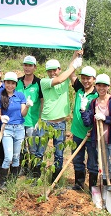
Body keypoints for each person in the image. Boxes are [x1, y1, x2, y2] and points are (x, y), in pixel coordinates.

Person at [34, 51, 83, 181]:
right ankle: (35, 177)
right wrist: (74, 66)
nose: (52, 73)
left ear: (59, 69)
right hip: (46, 122)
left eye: (54, 70)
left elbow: (68, 71)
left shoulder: (65, 78)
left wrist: (76, 55)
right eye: (49, 71)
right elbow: (62, 77)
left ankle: (55, 179)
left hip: (60, 123)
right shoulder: (44, 82)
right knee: (40, 151)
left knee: (59, 153)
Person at [81, 74, 111, 189]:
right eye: (99, 85)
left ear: (108, 86)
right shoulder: (93, 102)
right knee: (103, 166)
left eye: (104, 86)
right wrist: (83, 110)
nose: (101, 88)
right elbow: (88, 122)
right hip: (99, 139)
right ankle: (106, 190)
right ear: (96, 86)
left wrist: (105, 118)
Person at [0, 72, 31, 190]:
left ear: (16, 84)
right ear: (4, 83)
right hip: (7, 129)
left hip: (19, 129)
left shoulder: (20, 96)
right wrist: (2, 118)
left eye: (12, 83)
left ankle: (12, 181)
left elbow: (23, 114)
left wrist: (27, 106)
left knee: (16, 157)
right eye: (7, 83)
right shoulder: (0, 96)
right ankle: (2, 182)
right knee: (8, 157)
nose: (10, 85)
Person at [70, 65, 99, 190]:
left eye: (89, 79)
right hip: (77, 132)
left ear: (94, 79)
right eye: (83, 78)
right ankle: (79, 184)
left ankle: (93, 188)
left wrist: (94, 129)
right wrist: (76, 58)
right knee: (77, 159)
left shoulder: (97, 95)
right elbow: (71, 74)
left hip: (91, 134)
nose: (86, 81)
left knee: (92, 162)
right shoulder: (79, 89)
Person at [15, 56, 43, 175]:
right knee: (21, 146)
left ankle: (34, 171)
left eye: (30, 65)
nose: (27, 68)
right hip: (19, 120)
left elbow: (42, 101)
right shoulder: (17, 82)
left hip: (32, 120)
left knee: (33, 147)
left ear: (35, 67)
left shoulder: (39, 83)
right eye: (25, 65)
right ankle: (23, 168)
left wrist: (40, 119)